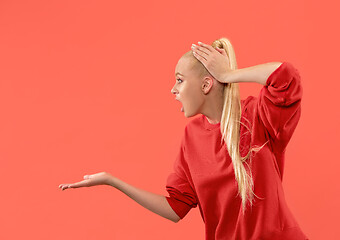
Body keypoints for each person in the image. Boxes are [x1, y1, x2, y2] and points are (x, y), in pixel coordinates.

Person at [59, 37, 309, 240]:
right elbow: (175, 208)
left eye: (179, 80)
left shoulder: (257, 116)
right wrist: (112, 181)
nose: (173, 89)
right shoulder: (192, 137)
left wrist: (228, 74)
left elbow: (285, 77)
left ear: (206, 85)